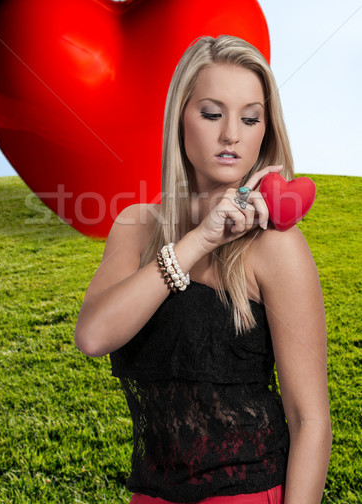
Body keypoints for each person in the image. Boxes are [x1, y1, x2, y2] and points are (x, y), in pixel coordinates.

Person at [74, 35, 332, 504]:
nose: (231, 133)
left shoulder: (277, 246)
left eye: (250, 118)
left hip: (250, 494)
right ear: (180, 118)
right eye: (212, 113)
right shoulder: (134, 227)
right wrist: (197, 241)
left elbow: (310, 420)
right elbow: (93, 336)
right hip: (150, 496)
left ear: (265, 131)